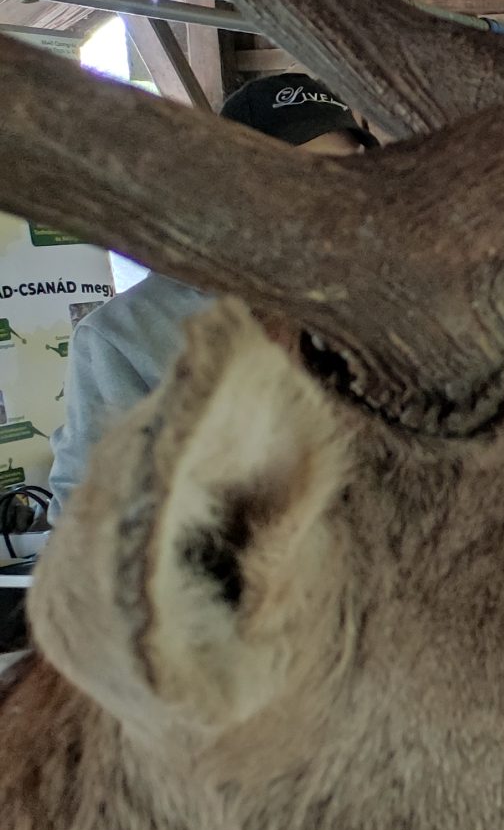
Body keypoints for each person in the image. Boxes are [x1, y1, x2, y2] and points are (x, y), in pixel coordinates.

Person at [46, 72, 376, 514]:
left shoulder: (385, 308)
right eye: (295, 174)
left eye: (345, 170)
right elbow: (91, 523)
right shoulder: (126, 339)